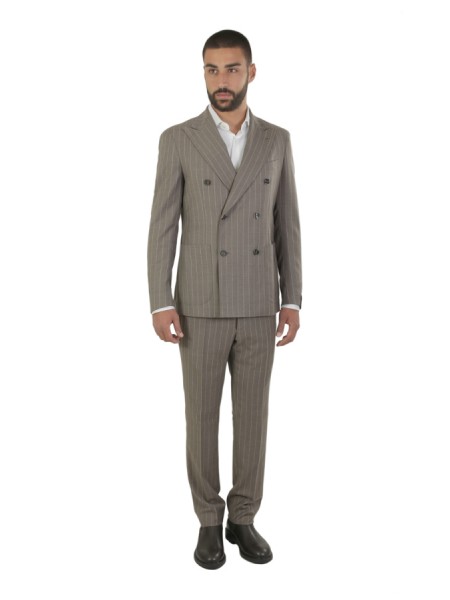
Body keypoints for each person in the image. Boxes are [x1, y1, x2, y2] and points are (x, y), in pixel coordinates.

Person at [147, 29, 302, 569]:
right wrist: (160, 300)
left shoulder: (276, 140)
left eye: (232, 69)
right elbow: (162, 225)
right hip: (199, 303)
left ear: (251, 73)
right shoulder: (179, 139)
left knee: (253, 417)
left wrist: (292, 298)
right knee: (202, 417)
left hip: (259, 301)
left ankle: (244, 517)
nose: (221, 80)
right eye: (212, 70)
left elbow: (287, 224)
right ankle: (209, 520)